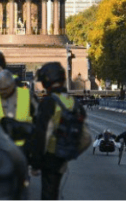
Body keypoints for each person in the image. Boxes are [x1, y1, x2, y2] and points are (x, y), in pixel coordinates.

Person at [26, 62, 84, 201]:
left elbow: (43, 133)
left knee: (48, 194)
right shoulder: (73, 102)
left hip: (50, 156)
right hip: (63, 156)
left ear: (46, 82)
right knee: (54, 191)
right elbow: (85, 136)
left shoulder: (48, 102)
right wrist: (70, 152)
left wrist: (35, 162)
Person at [0, 69, 36, 148]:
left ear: (13, 84)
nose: (3, 92)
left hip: (25, 144)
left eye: (5, 89)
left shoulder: (27, 95)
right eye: (0, 89)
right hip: (0, 145)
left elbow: (38, 117)